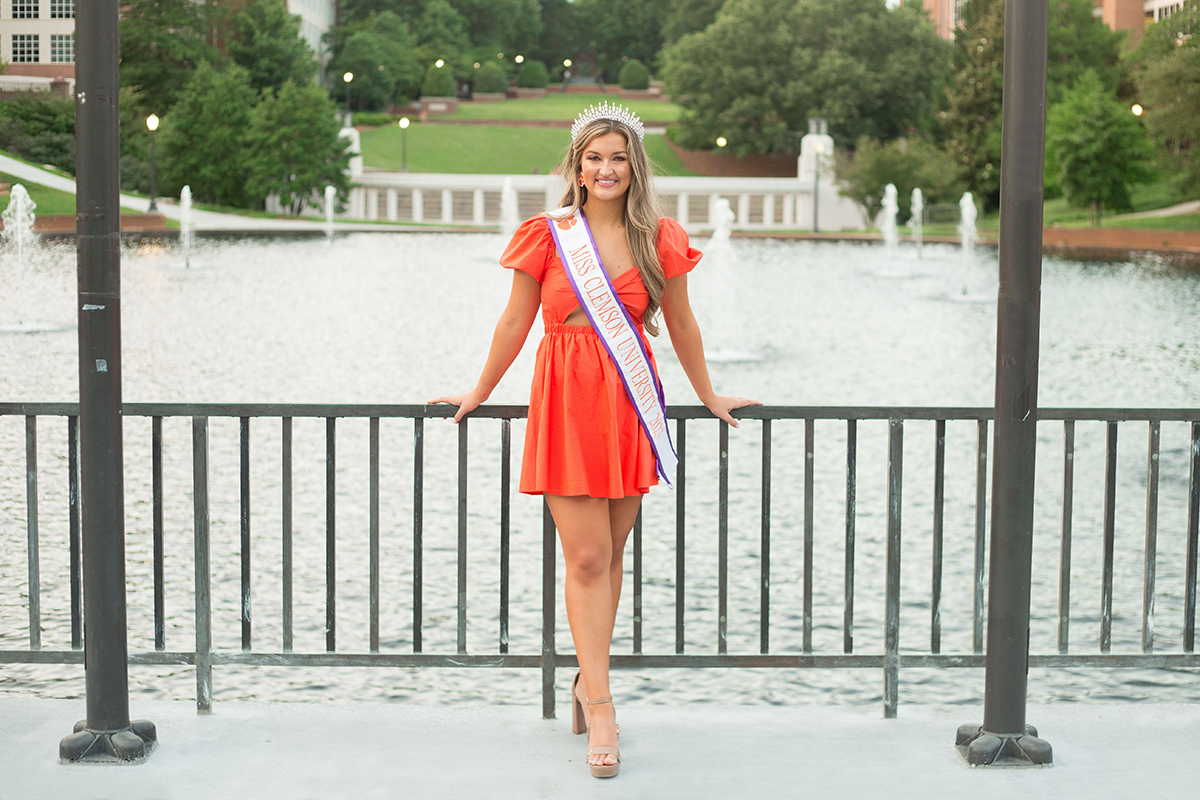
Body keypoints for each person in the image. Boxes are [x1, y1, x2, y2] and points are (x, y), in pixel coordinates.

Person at [431, 103, 759, 778]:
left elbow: (686, 327)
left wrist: (709, 395)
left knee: (609, 557)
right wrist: (478, 392)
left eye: (618, 158)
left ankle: (586, 682)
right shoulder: (547, 234)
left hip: (626, 403)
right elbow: (515, 323)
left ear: (633, 167)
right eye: (594, 157)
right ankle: (602, 705)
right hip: (566, 400)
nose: (605, 169)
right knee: (585, 557)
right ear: (575, 167)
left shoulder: (660, 238)